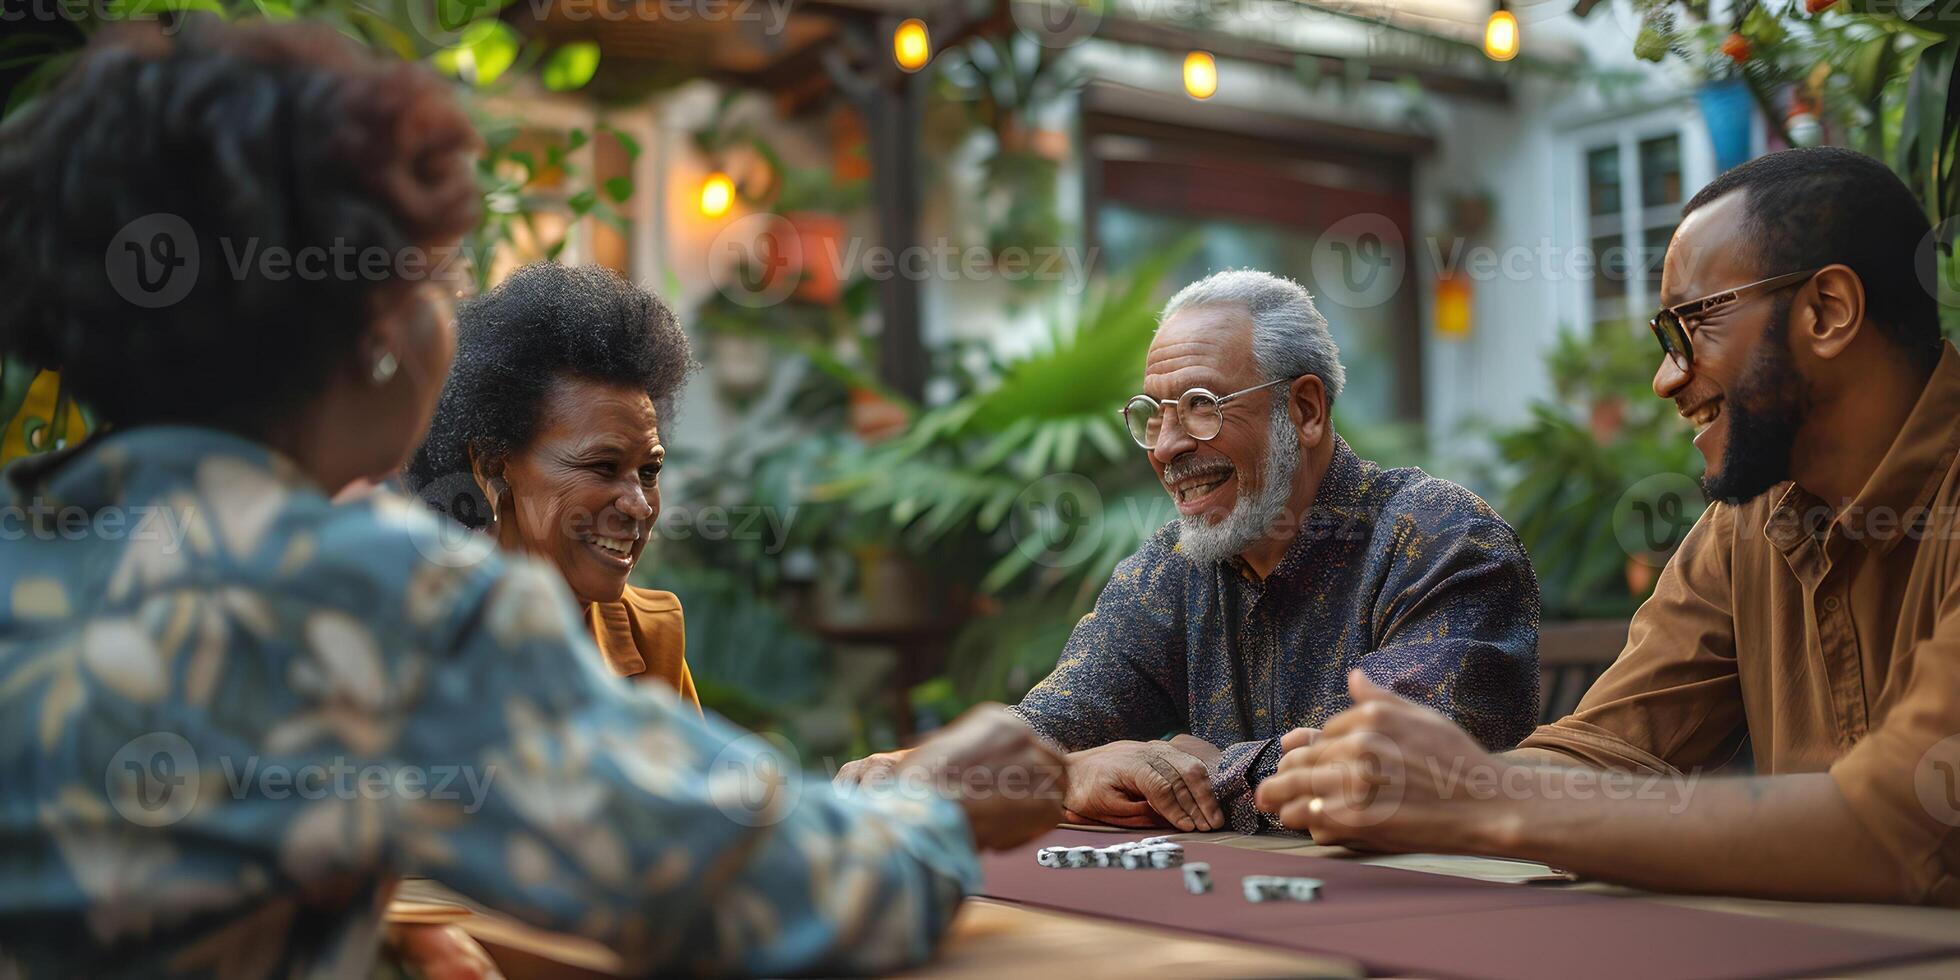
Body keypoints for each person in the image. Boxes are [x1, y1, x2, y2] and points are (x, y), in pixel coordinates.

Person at [0, 21, 1063, 977]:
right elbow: (771, 894)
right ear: (369, 324)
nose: (447, 317)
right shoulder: (371, 592)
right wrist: (938, 802)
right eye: (434, 277)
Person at [1257, 147, 1960, 907]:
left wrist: (1487, 798)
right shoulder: (1748, 526)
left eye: (1691, 326)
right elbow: (1608, 753)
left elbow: (1897, 824)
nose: (1666, 379)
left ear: (1827, 312)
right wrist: (1403, 779)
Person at [842, 270, 1541, 834]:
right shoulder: (1172, 570)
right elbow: (1055, 727)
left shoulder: (1445, 541)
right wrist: (935, 767)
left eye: (1202, 404)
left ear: (1304, 410)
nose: (1169, 445)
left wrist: (1196, 771)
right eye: (1152, 415)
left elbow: (1395, 778)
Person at [406, 262, 700, 705]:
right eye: (603, 466)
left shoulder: (652, 633)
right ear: (491, 466)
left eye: (649, 471)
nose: (640, 506)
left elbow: (699, 775)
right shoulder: (419, 633)